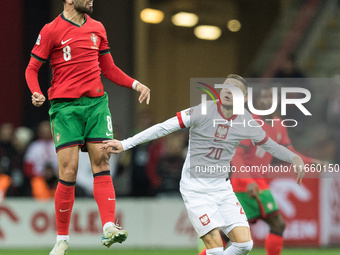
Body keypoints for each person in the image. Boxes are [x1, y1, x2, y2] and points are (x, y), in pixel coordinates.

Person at [101, 74, 305, 255]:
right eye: (225, 87)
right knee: (215, 247)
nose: (226, 91)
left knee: (244, 245)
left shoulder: (246, 121)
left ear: (243, 99)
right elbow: (164, 128)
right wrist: (125, 143)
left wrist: (294, 158)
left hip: (222, 189)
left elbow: (270, 145)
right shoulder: (204, 110)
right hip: (196, 189)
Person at [25, 0, 151, 254]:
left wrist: (135, 84)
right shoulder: (51, 30)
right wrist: (36, 92)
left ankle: (108, 226)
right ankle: (62, 239)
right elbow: (32, 69)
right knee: (69, 171)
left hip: (96, 104)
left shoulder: (98, 28)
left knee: (102, 162)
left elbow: (109, 69)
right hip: (65, 108)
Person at [198, 87, 326, 255]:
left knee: (272, 225)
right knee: (243, 231)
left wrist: (309, 162)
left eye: (271, 97)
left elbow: (288, 150)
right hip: (243, 185)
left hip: (259, 184)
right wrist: (248, 181)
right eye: (263, 97)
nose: (267, 101)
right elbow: (236, 156)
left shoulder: (279, 124)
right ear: (256, 102)